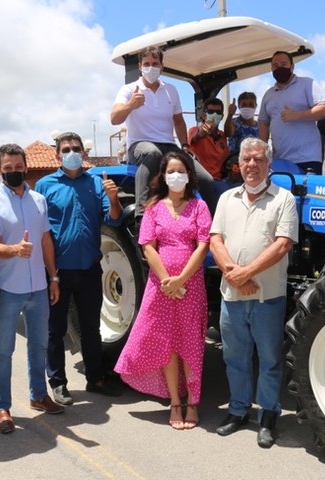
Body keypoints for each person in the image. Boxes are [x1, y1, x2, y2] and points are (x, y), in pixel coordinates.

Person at [209, 137, 298, 448]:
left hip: (267, 298)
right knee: (235, 358)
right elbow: (215, 240)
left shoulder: (283, 199)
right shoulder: (226, 199)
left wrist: (245, 274)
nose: (251, 165)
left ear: (268, 164)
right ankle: (238, 411)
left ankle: (269, 415)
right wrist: (235, 276)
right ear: (239, 164)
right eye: (246, 159)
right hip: (231, 297)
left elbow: (283, 244)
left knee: (270, 359)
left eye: (258, 159)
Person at [115, 151, 211, 430]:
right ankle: (175, 402)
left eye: (181, 170)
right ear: (163, 176)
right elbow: (147, 245)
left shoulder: (199, 207)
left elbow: (203, 244)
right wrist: (168, 281)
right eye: (171, 171)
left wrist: (181, 279)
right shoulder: (154, 207)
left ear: (189, 176)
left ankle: (193, 401)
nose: (176, 176)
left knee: (191, 343)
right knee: (168, 345)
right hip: (161, 286)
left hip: (190, 285)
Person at [35, 131, 124, 404]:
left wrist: (114, 198)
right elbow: (40, 230)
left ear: (84, 153)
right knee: (56, 330)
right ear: (57, 153)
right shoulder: (44, 185)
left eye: (76, 148)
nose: (71, 152)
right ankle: (58, 383)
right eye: (66, 149)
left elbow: (115, 219)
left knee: (91, 327)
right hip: (57, 273)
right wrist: (50, 275)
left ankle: (95, 378)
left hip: (89, 268)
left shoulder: (97, 183)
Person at [0, 144, 64, 435]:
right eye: (8, 169)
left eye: (18, 168)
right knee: (2, 351)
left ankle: (39, 395)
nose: (14, 173)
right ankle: (1, 407)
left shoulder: (39, 200)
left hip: (39, 288)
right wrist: (16, 250)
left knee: (39, 345)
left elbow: (45, 241)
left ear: (25, 167)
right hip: (7, 288)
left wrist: (53, 278)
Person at [110, 46, 214, 216]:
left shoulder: (171, 90)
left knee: (206, 179)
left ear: (161, 66)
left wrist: (185, 145)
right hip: (139, 144)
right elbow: (114, 118)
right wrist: (131, 105)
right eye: (146, 64)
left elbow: (179, 121)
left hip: (168, 145)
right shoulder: (129, 90)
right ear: (140, 67)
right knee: (152, 153)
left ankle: (210, 222)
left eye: (155, 63)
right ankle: (141, 214)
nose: (151, 67)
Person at [258, 50, 325, 173]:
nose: (279, 68)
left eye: (284, 64)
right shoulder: (268, 94)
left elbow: (324, 110)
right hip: (279, 160)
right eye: (275, 65)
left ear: (292, 66)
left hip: (307, 159)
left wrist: (297, 115)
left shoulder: (307, 84)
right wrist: (263, 148)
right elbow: (263, 122)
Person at [188, 98, 229, 181]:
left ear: (222, 116)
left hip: (220, 180)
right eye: (211, 112)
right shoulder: (194, 130)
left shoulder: (223, 136)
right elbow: (197, 136)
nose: (214, 114)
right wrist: (202, 132)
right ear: (204, 115)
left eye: (218, 112)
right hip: (200, 180)